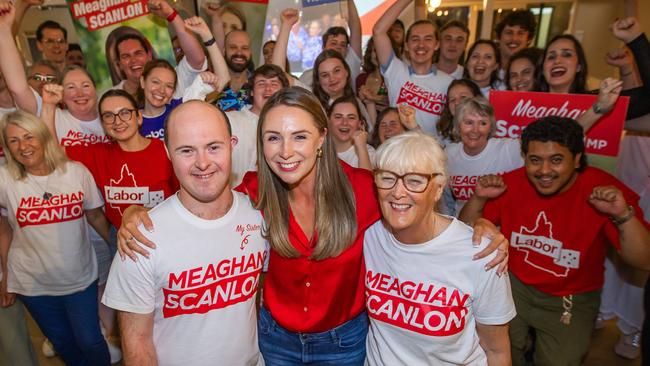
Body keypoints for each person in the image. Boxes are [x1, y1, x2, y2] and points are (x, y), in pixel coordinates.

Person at [117, 87, 509, 364]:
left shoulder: (363, 188)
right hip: (274, 341)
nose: (286, 152)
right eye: (273, 138)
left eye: (299, 136)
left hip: (344, 344)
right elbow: (201, 199)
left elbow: (420, 214)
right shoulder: (254, 192)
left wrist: (480, 227)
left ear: (322, 137)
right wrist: (136, 211)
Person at [459, 116, 650, 366]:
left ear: (577, 159)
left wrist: (622, 215)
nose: (545, 171)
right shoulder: (511, 183)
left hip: (573, 296)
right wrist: (478, 199)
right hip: (513, 284)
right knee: (493, 352)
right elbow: (464, 233)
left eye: (556, 160)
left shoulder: (603, 189)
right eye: (535, 160)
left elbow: (644, 260)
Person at [101, 100, 267, 365]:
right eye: (187, 150)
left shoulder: (258, 216)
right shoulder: (141, 239)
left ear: (232, 145)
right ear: (168, 153)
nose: (203, 163)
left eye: (213, 147)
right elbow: (138, 347)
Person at [365, 131, 515, 365]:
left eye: (414, 180)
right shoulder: (370, 236)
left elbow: (496, 351)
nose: (398, 191)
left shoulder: (480, 254)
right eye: (387, 178)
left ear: (437, 189)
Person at [0, 110, 111, 366]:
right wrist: (6, 275)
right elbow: (4, 226)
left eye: (28, 137)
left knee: (90, 341)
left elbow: (95, 216)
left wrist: (118, 251)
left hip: (79, 276)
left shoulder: (75, 172)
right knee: (62, 344)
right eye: (13, 141)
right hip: (32, 282)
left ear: (42, 137)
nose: (23, 146)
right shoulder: (6, 179)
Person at [137, 16, 229, 139]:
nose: (161, 90)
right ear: (143, 82)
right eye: (155, 82)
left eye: (169, 86)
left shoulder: (181, 107)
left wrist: (206, 34)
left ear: (174, 90)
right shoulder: (131, 120)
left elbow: (222, 81)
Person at [373, 0, 453, 140]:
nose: (421, 45)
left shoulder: (449, 82)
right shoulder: (395, 71)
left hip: (432, 156)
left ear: (437, 45)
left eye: (428, 39)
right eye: (415, 39)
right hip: (399, 153)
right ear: (406, 45)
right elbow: (378, 31)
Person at [445, 97, 523, 216]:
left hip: (498, 229)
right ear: (458, 126)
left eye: (483, 123)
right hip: (462, 227)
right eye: (469, 122)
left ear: (491, 127)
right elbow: (446, 201)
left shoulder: (509, 149)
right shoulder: (449, 154)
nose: (475, 130)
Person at [112, 0, 206, 98]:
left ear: (149, 55)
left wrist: (171, 14)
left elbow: (198, 60)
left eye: (138, 53)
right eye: (125, 56)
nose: (133, 60)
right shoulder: (112, 98)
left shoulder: (174, 79)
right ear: (119, 65)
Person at [227, 64, 289, 186]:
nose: (268, 89)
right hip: (234, 198)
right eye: (261, 83)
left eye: (274, 84)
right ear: (251, 92)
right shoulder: (230, 120)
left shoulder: (291, 127)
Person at [296, 0, 362, 89]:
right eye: (333, 43)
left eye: (343, 45)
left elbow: (356, 30)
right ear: (323, 47)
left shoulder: (350, 66)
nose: (338, 47)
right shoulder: (307, 76)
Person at [328, 96, 374, 170]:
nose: (345, 122)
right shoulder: (318, 149)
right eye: (338, 117)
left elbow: (366, 181)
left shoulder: (369, 152)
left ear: (360, 124)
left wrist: (361, 148)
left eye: (351, 117)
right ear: (329, 121)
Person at [436, 78, 482, 144]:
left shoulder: (487, 132)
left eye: (463, 97)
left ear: (477, 99)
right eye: (452, 100)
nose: (457, 103)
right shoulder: (443, 134)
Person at [495, 10, 537, 78]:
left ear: (529, 39)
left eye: (520, 33)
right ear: (498, 37)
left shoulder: (535, 74)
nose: (514, 38)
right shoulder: (487, 71)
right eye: (509, 32)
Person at [357, 37, 389, 119]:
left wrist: (375, 98)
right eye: (375, 50)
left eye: (383, 50)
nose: (379, 54)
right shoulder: (361, 79)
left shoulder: (396, 79)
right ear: (370, 53)